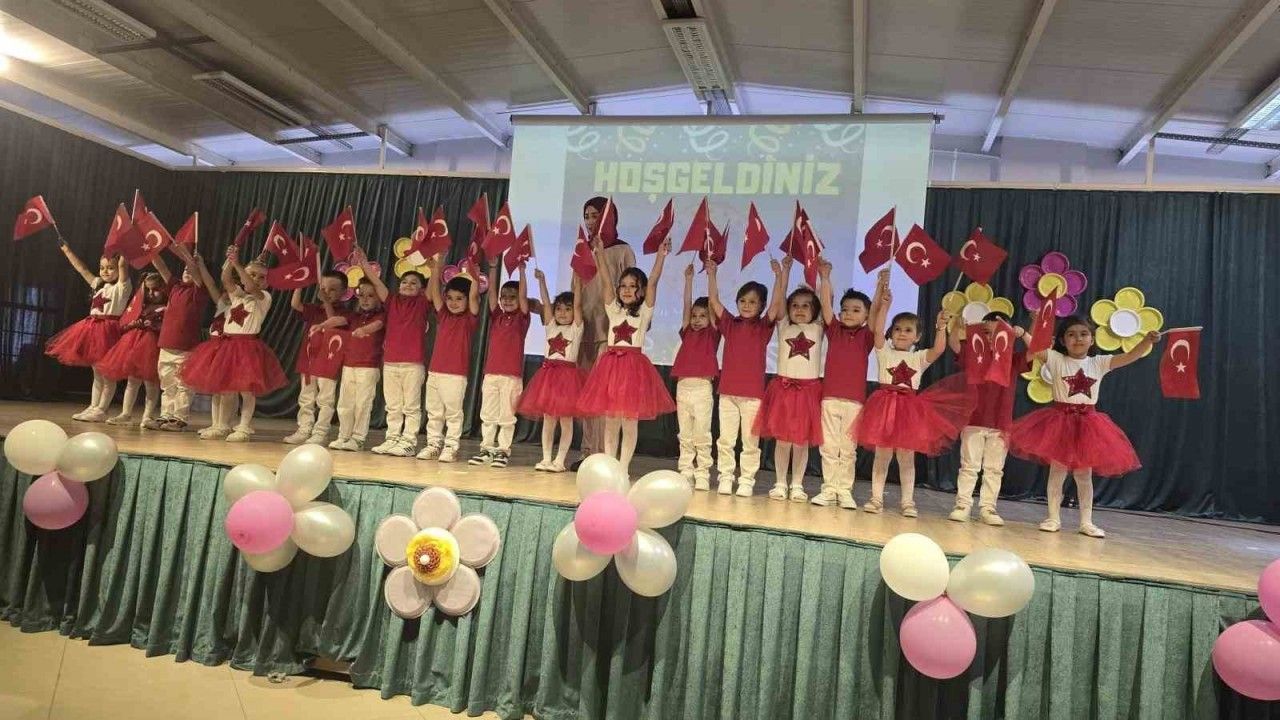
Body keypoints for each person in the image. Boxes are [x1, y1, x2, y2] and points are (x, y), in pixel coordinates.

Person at [1009, 316, 1157, 538]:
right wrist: (1022, 334)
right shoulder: (1056, 359)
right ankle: (1053, 518)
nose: (1078, 339)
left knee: (1084, 475)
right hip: (1060, 422)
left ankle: (1086, 522)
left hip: (1088, 424)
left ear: (1092, 339)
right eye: (1071, 334)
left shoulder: (1098, 363)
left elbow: (1129, 356)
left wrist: (1147, 341)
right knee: (1057, 472)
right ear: (1063, 340)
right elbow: (1036, 346)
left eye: (1083, 334)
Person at [855, 286, 970, 516]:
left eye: (908, 330)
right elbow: (878, 333)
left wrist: (941, 327)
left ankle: (908, 502)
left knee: (906, 458)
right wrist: (884, 307)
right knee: (882, 456)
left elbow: (939, 349)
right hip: (884, 408)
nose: (901, 334)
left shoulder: (918, 357)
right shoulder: (884, 352)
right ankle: (876, 499)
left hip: (908, 412)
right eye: (897, 329)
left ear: (917, 337)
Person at [575, 237, 675, 477]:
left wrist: (660, 256)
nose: (627, 290)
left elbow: (653, 281)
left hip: (632, 369)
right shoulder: (614, 309)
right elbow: (605, 280)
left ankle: (623, 467)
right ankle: (611, 464)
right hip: (610, 368)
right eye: (623, 286)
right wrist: (600, 254)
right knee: (611, 421)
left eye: (633, 286)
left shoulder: (643, 313)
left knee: (629, 422)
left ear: (641, 291)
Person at [180, 245, 287, 442]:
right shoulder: (236, 295)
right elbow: (225, 279)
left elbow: (252, 287)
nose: (256, 279)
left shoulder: (264, 298)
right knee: (225, 389)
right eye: (252, 274)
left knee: (247, 391)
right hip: (229, 346)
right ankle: (220, 425)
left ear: (267, 282)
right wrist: (230, 261)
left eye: (261, 277)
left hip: (247, 347)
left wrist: (238, 264)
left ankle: (244, 427)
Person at [706, 257, 787, 497]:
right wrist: (712, 274)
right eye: (742, 301)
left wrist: (779, 276)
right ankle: (725, 476)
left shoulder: (763, 326)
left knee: (750, 441)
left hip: (752, 395)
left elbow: (776, 305)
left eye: (752, 302)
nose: (747, 305)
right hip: (727, 392)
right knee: (726, 439)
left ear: (761, 306)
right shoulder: (730, 324)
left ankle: (747, 479)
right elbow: (714, 301)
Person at [946, 312, 1031, 525]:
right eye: (986, 332)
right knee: (969, 466)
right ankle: (963, 504)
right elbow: (955, 344)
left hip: (1001, 423)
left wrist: (1023, 334)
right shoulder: (974, 355)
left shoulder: (1012, 359)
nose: (992, 337)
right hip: (973, 420)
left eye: (999, 332)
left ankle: (988, 507)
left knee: (994, 469)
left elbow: (1035, 352)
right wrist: (957, 327)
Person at [812, 262, 882, 510]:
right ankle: (829, 489)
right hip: (830, 398)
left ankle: (844, 491)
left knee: (848, 449)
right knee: (829, 447)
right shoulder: (834, 330)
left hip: (855, 401)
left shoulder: (867, 337)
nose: (848, 313)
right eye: (845, 310)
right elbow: (826, 306)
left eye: (856, 310)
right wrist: (825, 277)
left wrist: (880, 288)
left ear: (866, 315)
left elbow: (876, 313)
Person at [754, 258, 826, 502]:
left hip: (808, 392)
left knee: (801, 443)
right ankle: (780, 483)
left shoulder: (818, 327)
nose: (799, 309)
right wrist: (784, 272)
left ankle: (797, 484)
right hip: (783, 390)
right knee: (783, 442)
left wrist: (822, 277)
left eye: (806, 305)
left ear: (815, 310)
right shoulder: (784, 325)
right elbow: (779, 299)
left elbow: (825, 301)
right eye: (795, 305)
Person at [574, 197, 637, 466]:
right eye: (587, 216)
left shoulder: (622, 250)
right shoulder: (582, 249)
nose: (590, 221)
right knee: (586, 395)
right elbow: (576, 288)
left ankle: (602, 455)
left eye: (596, 215)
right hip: (584, 330)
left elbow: (633, 288)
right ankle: (587, 451)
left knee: (603, 397)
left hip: (611, 332)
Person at [356, 248, 432, 457]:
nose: (408, 285)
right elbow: (376, 282)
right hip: (390, 362)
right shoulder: (391, 301)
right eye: (404, 282)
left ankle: (408, 442)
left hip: (413, 364)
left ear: (421, 289)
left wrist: (436, 267)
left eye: (414, 283)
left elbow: (434, 288)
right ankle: (392, 438)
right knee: (393, 405)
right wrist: (364, 263)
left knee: (411, 406)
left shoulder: (423, 303)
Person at [46, 246, 131, 422]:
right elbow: (82, 269)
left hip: (108, 330)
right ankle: (93, 406)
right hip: (93, 328)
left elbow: (123, 265)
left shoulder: (122, 287)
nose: (105, 271)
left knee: (108, 374)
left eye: (111, 268)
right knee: (97, 373)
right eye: (102, 267)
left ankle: (102, 409)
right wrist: (67, 251)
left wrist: (124, 245)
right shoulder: (98, 284)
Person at [518, 269, 585, 472]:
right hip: (548, 377)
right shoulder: (551, 326)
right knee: (548, 420)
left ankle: (560, 460)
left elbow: (579, 304)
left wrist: (578, 284)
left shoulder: (576, 329)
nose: (562, 313)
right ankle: (546, 458)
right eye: (559, 309)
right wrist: (542, 281)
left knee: (566, 420)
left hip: (567, 378)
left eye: (567, 309)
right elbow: (546, 303)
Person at [470, 262, 531, 467]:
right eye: (504, 297)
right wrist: (494, 269)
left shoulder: (521, 318)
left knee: (507, 415)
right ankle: (486, 448)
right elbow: (492, 294)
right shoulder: (497, 316)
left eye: (512, 297)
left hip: (511, 376)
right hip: (491, 374)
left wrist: (522, 271)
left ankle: (503, 451)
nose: (507, 300)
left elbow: (524, 297)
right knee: (488, 413)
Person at [418, 264, 481, 463]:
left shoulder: (470, 318)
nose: (453, 303)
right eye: (450, 298)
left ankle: (451, 446)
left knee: (453, 413)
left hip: (455, 374)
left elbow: (474, 296)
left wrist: (474, 276)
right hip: (435, 371)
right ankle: (433, 444)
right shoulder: (443, 314)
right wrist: (435, 268)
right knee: (434, 411)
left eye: (459, 298)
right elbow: (436, 293)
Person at [282, 272, 349, 445]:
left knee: (325, 399)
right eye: (324, 288)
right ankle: (304, 428)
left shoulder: (346, 312)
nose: (327, 293)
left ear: (343, 292)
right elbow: (295, 304)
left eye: (332, 289)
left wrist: (326, 301)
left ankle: (321, 432)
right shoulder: (314, 309)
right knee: (306, 397)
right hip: (309, 359)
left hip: (327, 362)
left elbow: (333, 320)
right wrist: (300, 283)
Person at [151, 243, 211, 432]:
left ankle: (180, 418)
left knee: (184, 385)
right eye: (185, 268)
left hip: (186, 348)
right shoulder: (175, 286)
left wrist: (187, 256)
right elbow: (161, 266)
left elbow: (195, 270)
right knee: (167, 383)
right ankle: (166, 415)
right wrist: (150, 248)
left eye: (190, 269)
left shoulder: (200, 291)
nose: (187, 270)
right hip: (166, 345)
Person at [670, 263, 720, 490]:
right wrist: (688, 280)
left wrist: (712, 275)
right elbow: (686, 304)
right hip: (683, 387)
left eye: (703, 316)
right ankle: (685, 469)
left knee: (702, 432)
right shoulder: (687, 331)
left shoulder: (712, 333)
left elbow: (714, 303)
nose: (697, 319)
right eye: (694, 316)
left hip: (702, 388)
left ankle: (702, 472)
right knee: (685, 433)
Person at [96, 272, 167, 428]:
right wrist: (134, 323)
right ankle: (126, 414)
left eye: (155, 289)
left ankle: (148, 416)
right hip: (134, 343)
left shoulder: (166, 308)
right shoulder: (139, 305)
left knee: (151, 383)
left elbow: (168, 327)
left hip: (152, 346)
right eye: (147, 290)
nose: (150, 293)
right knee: (132, 381)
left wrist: (154, 326)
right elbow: (125, 323)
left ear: (163, 289)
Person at [330, 278, 385, 451]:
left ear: (379, 297)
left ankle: (358, 438)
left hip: (368, 366)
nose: (365, 299)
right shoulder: (354, 316)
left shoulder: (381, 316)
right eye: (362, 295)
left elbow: (377, 325)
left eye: (370, 295)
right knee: (345, 403)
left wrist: (364, 330)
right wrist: (323, 324)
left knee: (363, 404)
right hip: (349, 365)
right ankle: (344, 435)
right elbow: (337, 320)